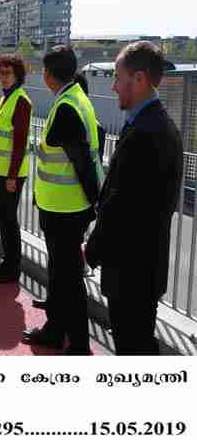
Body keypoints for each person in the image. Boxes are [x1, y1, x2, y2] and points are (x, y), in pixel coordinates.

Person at [85, 41, 183, 355]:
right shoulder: (153, 124)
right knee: (137, 343)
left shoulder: (147, 132)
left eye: (117, 76)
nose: (113, 86)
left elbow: (121, 205)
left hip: (132, 272)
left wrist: (92, 250)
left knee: (133, 347)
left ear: (139, 79)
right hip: (140, 269)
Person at [23, 45, 103, 355]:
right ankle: (55, 330)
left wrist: (94, 203)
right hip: (64, 206)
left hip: (66, 209)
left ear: (47, 74)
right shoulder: (76, 98)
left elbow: (82, 162)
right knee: (60, 275)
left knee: (68, 280)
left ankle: (79, 345)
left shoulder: (67, 106)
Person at [0, 53, 32, 284]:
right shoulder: (5, 98)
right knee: (4, 220)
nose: (2, 77)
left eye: (7, 73)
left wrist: (13, 175)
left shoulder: (21, 101)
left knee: (9, 221)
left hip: (10, 175)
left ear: (17, 75)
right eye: (0, 73)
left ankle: (12, 268)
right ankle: (7, 262)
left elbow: (20, 143)